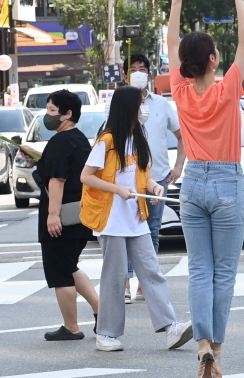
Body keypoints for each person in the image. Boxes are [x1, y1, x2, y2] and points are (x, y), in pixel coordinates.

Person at [165, 0, 244, 378]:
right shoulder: (227, 90)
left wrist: (176, 1)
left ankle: (201, 343)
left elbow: (170, 44)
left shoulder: (181, 91)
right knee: (225, 273)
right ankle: (216, 353)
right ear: (215, 61)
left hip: (193, 180)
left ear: (186, 65)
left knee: (199, 269)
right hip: (226, 181)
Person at [79, 86, 187, 351]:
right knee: (114, 277)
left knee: (151, 271)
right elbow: (86, 176)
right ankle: (106, 334)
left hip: (136, 218)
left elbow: (140, 176)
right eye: (140, 104)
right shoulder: (106, 141)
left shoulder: (138, 138)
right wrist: (117, 190)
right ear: (129, 107)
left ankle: (171, 327)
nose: (143, 109)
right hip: (112, 220)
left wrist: (153, 187)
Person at [36, 89, 101, 342]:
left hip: (62, 217)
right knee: (69, 266)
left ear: (68, 114)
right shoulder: (79, 139)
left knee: (59, 272)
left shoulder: (60, 142)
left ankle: (71, 326)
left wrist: (53, 216)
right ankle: (101, 311)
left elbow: (57, 180)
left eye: (52, 111)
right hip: (79, 216)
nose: (48, 116)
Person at [126, 54, 181, 302]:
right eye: (133, 69)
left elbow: (182, 136)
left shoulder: (161, 104)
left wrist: (178, 166)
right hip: (127, 179)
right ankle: (125, 282)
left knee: (152, 231)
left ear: (149, 73)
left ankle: (145, 284)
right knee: (126, 230)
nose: (138, 72)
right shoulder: (120, 104)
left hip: (157, 177)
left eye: (142, 69)